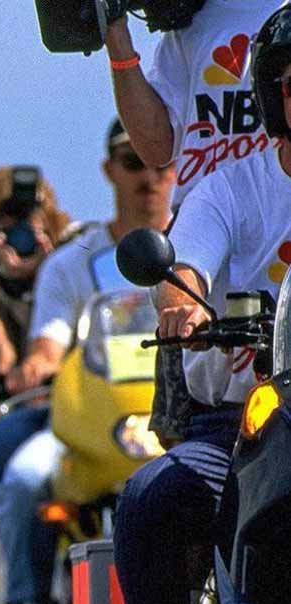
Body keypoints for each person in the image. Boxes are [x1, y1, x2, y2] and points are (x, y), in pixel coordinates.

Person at [113, 7, 291, 604]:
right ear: (275, 97)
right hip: (248, 422)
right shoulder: (228, 185)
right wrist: (185, 302)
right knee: (151, 498)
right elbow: (185, 259)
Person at [0, 119, 175, 604]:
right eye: (132, 162)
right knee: (26, 477)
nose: (148, 177)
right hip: (93, 427)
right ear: (108, 171)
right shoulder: (71, 264)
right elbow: (50, 340)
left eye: (160, 162)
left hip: (176, 420)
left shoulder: (203, 238)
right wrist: (37, 365)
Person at [103, 0, 284, 446]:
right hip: (205, 237)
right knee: (179, 460)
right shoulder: (192, 17)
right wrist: (118, 42)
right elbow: (157, 147)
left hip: (280, 217)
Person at [0, 165, 71, 604]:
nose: (20, 235)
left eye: (30, 221)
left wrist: (51, 270)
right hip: (32, 410)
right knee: (3, 449)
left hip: (89, 403)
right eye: (4, 222)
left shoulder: (75, 261)